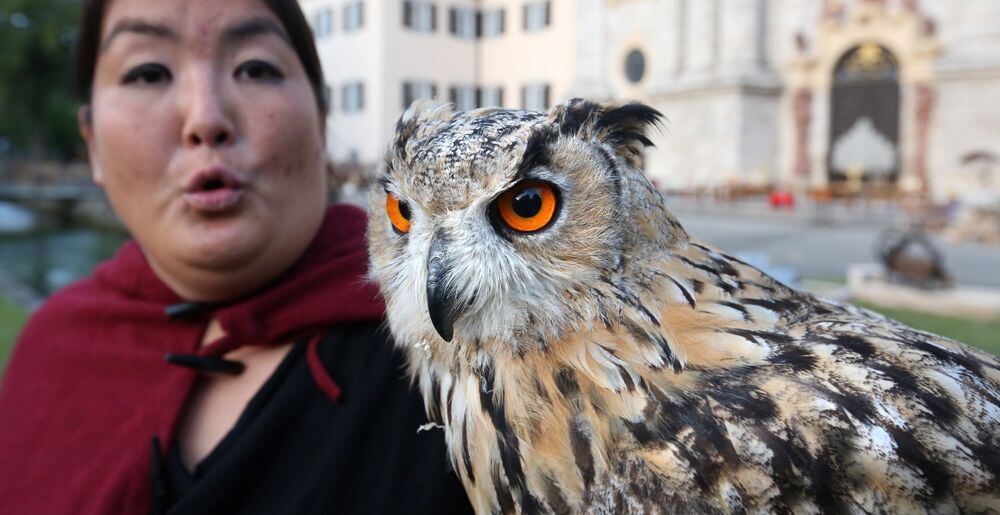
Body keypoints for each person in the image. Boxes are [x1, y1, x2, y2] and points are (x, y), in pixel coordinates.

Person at [0, 0, 474, 513]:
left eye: (256, 68)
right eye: (147, 73)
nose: (205, 118)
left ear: (320, 117)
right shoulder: (52, 349)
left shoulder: (476, 353)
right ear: (91, 141)